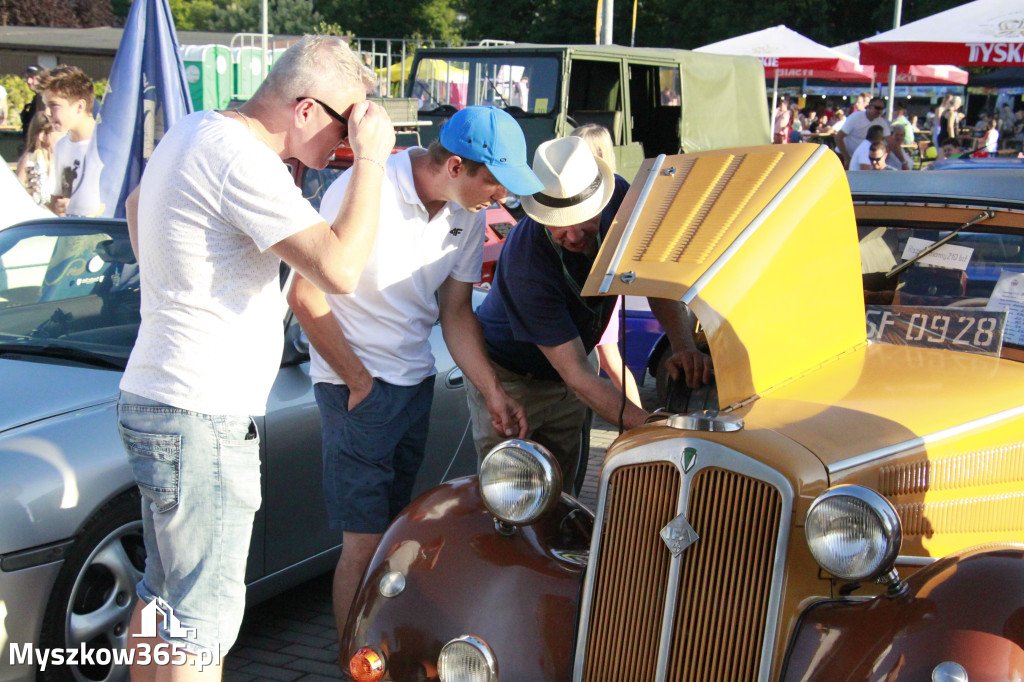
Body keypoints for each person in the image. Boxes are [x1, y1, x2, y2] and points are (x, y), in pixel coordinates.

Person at [117, 34, 395, 679]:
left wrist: (179, 285)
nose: (344, 149)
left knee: (164, 602)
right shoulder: (243, 159)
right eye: (344, 128)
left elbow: (137, 208)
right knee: (204, 628)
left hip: (156, 395)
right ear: (304, 110)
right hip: (202, 416)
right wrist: (375, 164)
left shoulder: (192, 132)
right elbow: (340, 270)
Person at [287, 104, 539, 660]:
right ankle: (354, 665)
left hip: (412, 386)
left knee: (391, 540)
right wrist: (357, 382)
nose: (501, 199)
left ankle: (375, 655)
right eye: (494, 184)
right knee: (365, 546)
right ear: (454, 166)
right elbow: (304, 297)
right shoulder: (362, 187)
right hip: (359, 390)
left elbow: (455, 313)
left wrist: (493, 391)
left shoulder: (467, 216)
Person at [469, 136, 712, 494]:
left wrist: (681, 344)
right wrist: (652, 428)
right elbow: (578, 377)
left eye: (582, 217)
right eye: (557, 222)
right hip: (511, 378)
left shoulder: (625, 201)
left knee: (562, 493)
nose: (572, 233)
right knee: (512, 495)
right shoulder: (527, 260)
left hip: (571, 371)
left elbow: (651, 277)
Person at [570, 123, 641, 406]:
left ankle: (637, 418)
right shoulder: (616, 187)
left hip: (603, 288)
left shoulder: (616, 190)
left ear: (599, 153)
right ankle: (637, 417)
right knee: (608, 360)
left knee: (610, 360)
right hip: (598, 286)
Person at [39, 65, 102, 216]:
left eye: (54, 105)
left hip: (101, 236)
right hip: (70, 233)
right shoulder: (61, 146)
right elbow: (60, 202)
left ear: (79, 106)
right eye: (45, 105)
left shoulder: (106, 144)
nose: (47, 113)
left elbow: (116, 201)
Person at [15, 111, 63, 207]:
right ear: (43, 136)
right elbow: (18, 192)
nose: (63, 136)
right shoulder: (30, 160)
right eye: (56, 131)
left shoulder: (61, 160)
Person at [835, 96, 891, 169]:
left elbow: (891, 142)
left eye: (882, 108)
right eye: (877, 108)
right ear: (870, 106)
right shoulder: (855, 117)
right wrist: (846, 158)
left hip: (856, 156)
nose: (879, 111)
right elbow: (838, 137)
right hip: (842, 155)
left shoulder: (881, 122)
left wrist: (903, 161)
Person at [20, 65, 46, 140]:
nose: (29, 81)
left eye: (32, 77)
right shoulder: (36, 99)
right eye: (27, 77)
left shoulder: (46, 98)